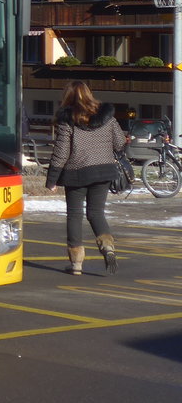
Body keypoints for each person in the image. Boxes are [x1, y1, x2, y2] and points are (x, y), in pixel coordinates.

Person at [44, 80, 124, 275]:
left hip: (76, 173)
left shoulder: (67, 120)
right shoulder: (107, 117)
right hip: (104, 171)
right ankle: (108, 247)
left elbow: (62, 152)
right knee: (96, 213)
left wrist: (52, 179)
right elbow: (120, 143)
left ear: (67, 97)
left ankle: (76, 263)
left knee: (74, 215)